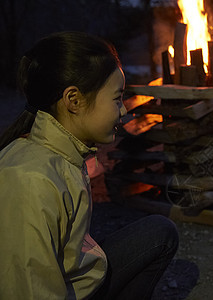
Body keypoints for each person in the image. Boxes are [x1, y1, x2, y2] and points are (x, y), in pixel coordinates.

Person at [0, 31, 178, 299]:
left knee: (161, 232)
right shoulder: (30, 180)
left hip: (78, 281)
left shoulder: (65, 152)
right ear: (74, 101)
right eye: (117, 98)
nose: (124, 110)